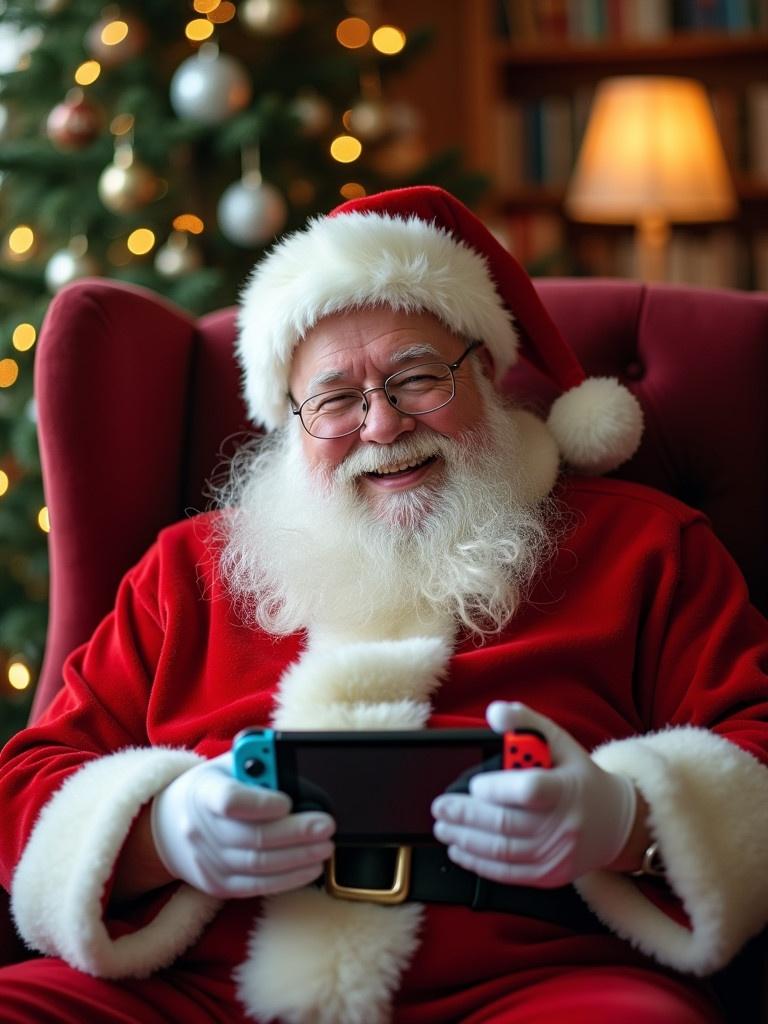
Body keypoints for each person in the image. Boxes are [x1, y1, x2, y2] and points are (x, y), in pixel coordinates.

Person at [1, 185, 768, 1024]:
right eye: (335, 399)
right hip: (195, 991)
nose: (381, 425)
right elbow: (29, 783)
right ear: (291, 425)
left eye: (417, 377)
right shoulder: (188, 570)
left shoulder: (645, 546)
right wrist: (163, 832)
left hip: (534, 982)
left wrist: (625, 818)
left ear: (485, 375)